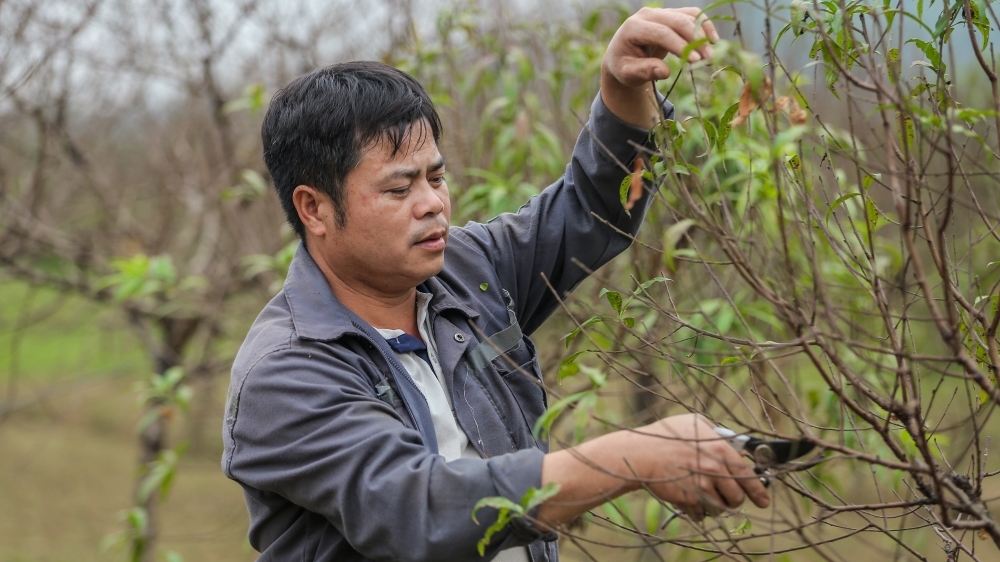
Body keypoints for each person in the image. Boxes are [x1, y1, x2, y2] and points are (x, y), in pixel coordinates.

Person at [222, 6, 770, 562]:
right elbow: (423, 510)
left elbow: (590, 209)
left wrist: (621, 88)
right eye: (399, 189)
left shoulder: (468, 273)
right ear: (314, 208)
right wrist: (633, 457)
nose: (433, 203)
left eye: (437, 177)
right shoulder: (284, 373)